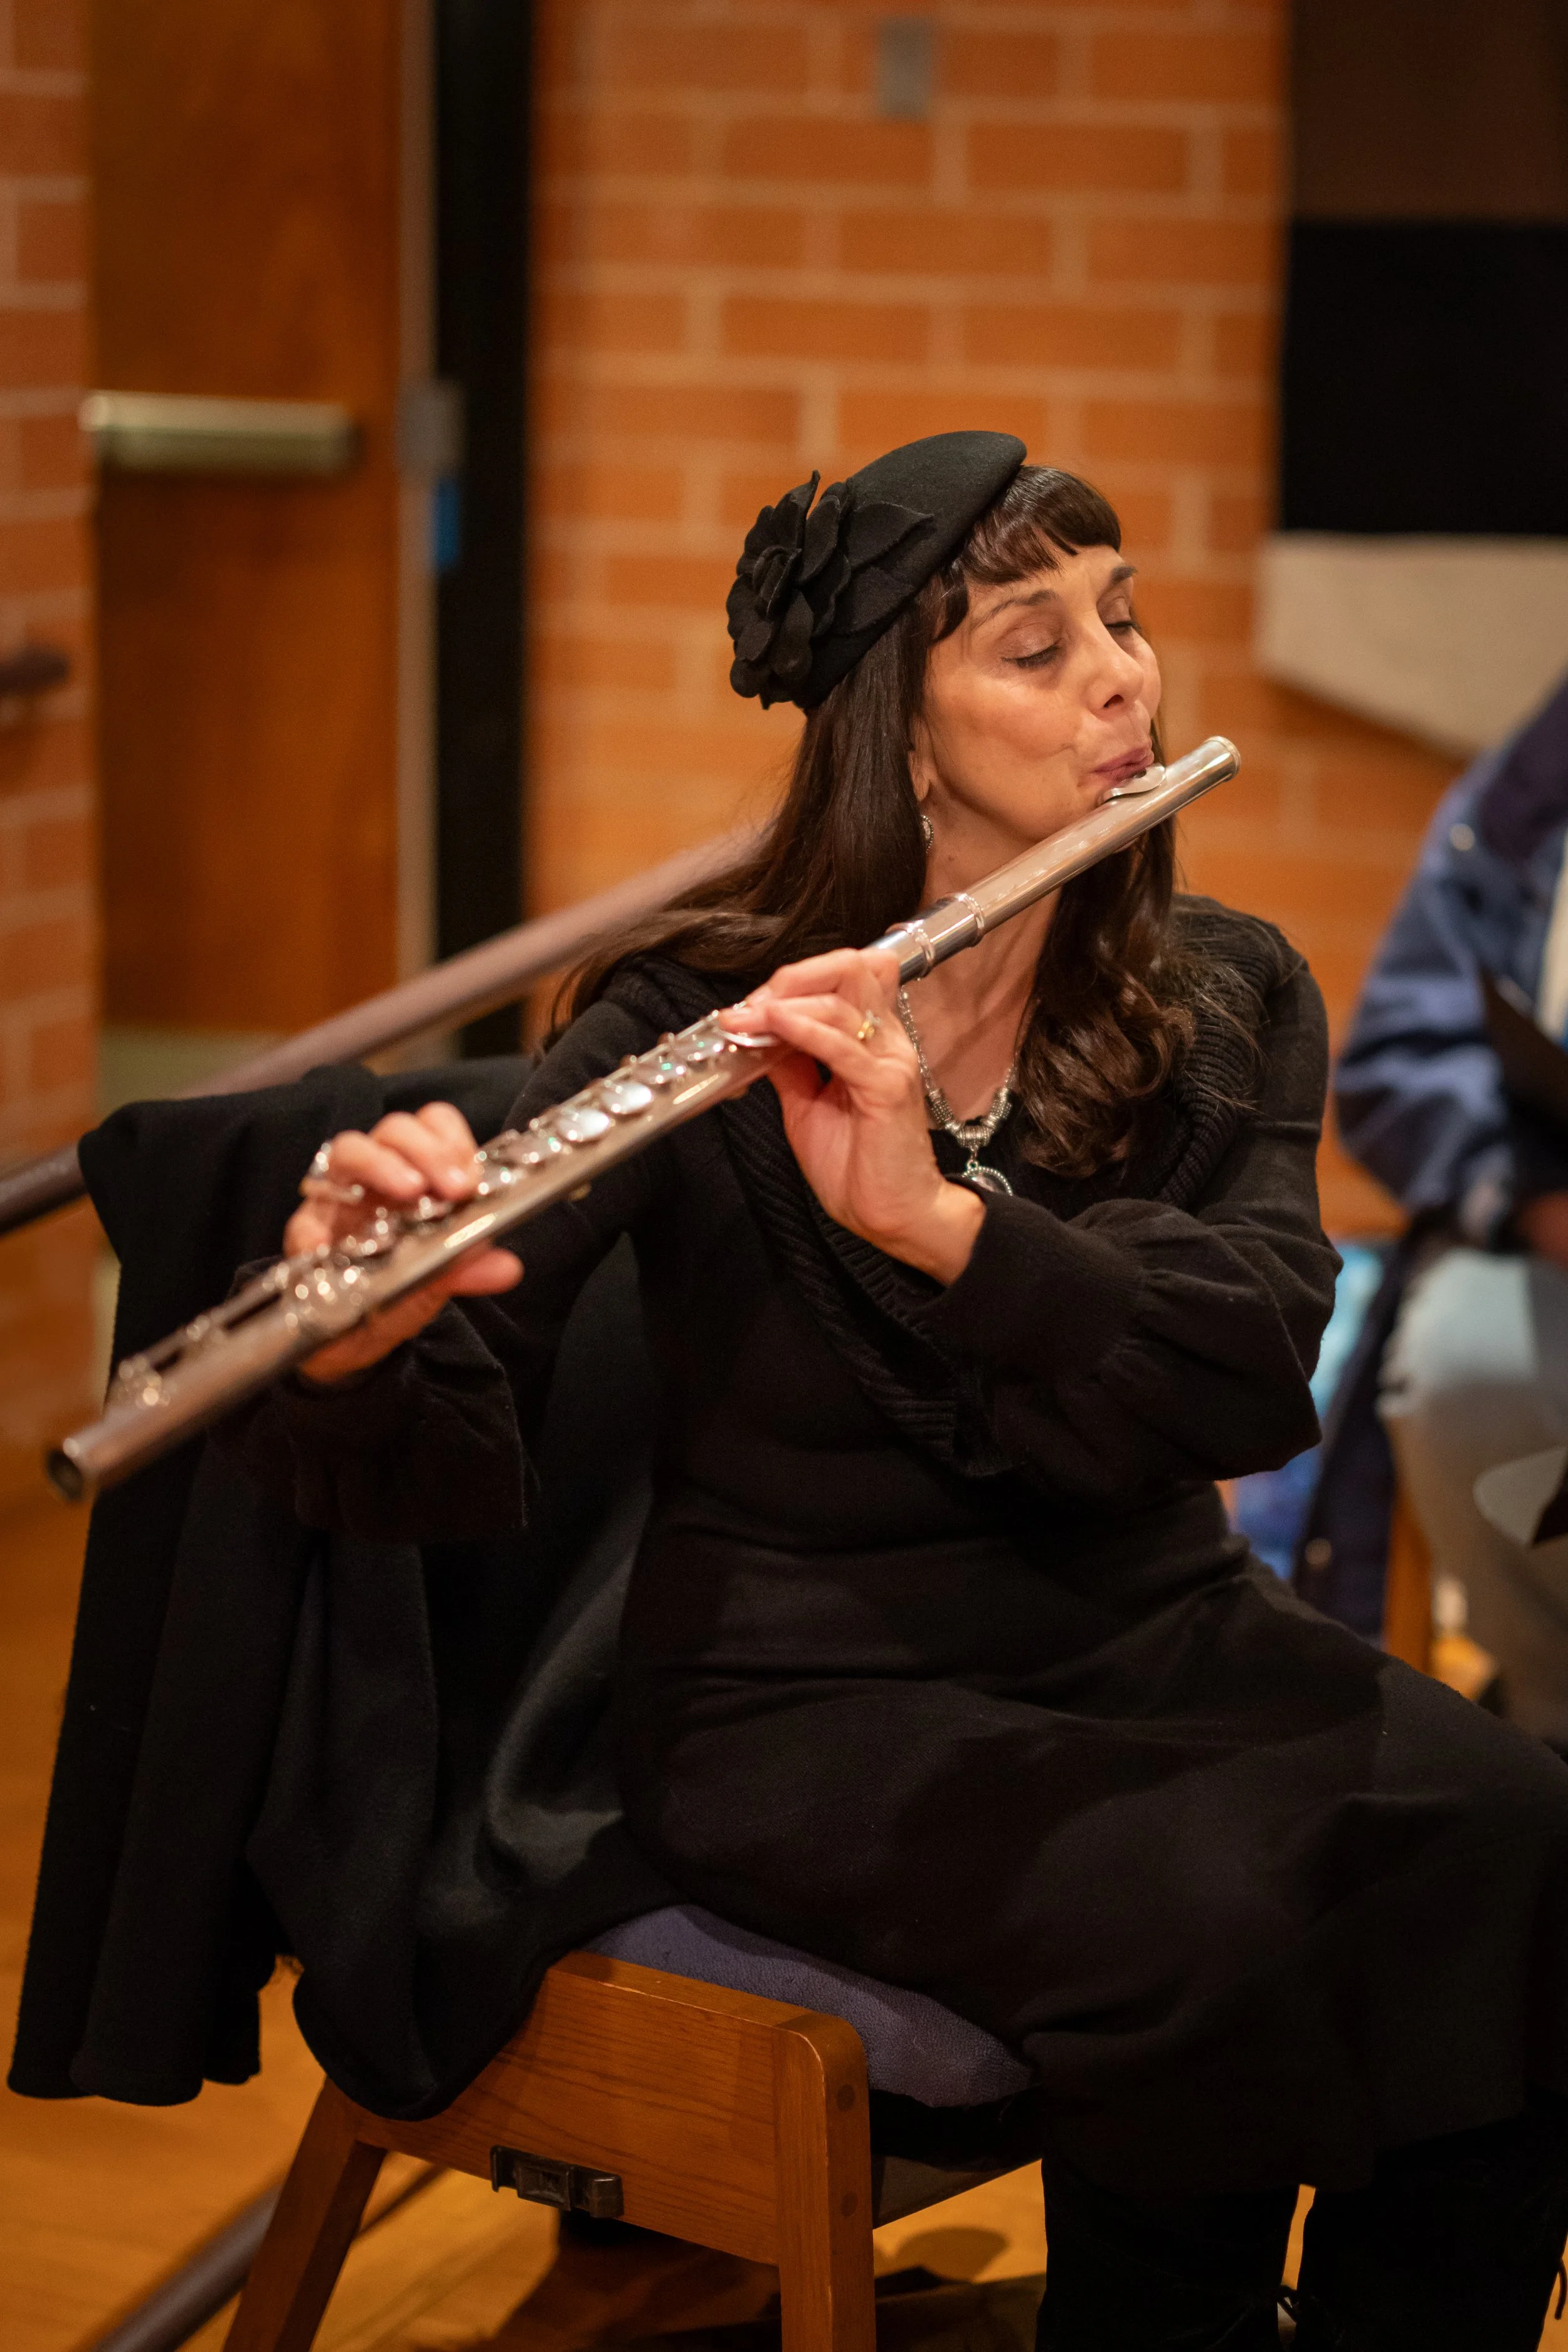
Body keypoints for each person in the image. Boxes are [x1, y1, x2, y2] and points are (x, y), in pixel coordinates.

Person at [221, 436, 1568, 2350]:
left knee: (1522, 1832)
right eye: (1033, 646)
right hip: (803, 1694)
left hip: (1145, 1629)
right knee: (1218, 1930)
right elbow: (461, 1428)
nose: (1121, 676)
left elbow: (1254, 1366)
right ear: (905, 741)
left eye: (1120, 617)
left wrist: (949, 1220)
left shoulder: (1221, 992)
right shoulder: (694, 1015)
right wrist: (357, 1332)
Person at [1336, 677, 1568, 1745]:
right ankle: (1550, 1711)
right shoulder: (1542, 774)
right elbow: (1399, 1056)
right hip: (1555, 1240)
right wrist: (1538, 1199)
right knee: (1466, 1353)